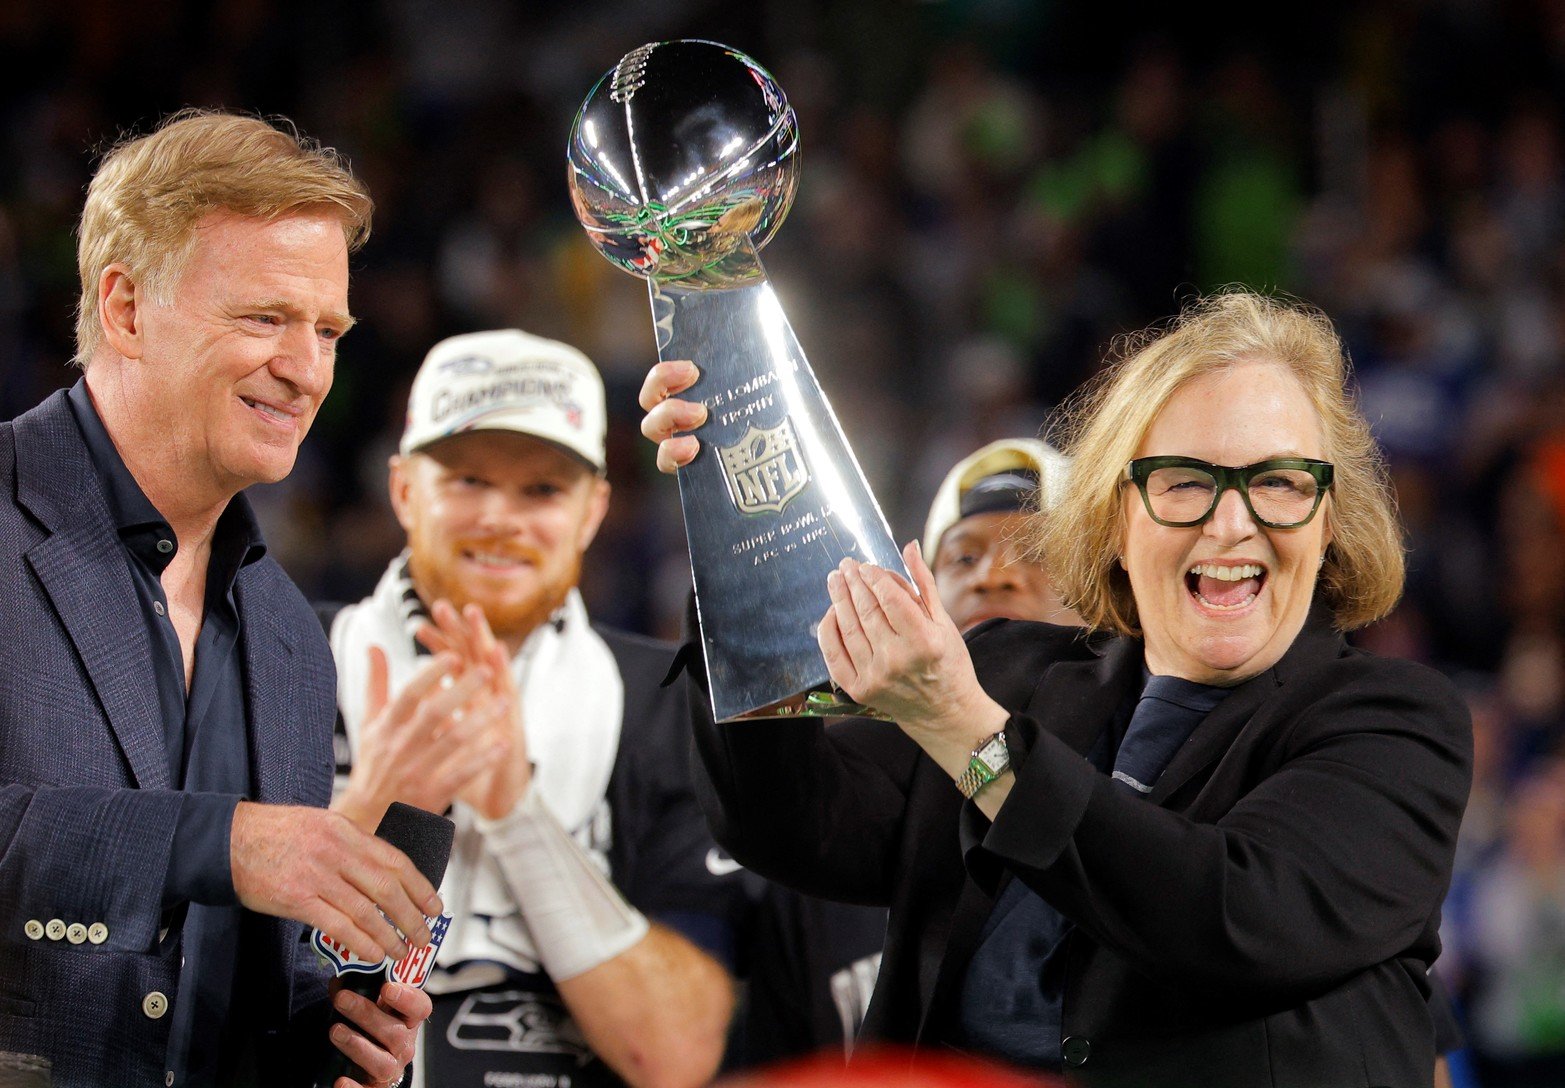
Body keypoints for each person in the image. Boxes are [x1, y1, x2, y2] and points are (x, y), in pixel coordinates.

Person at [640, 290, 1472, 1086]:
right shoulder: (1009, 673)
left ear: (1328, 523)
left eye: (1279, 482)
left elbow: (1231, 918)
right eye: (1184, 481)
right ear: (1115, 519)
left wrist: (967, 733)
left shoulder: (1395, 727)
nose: (1231, 523)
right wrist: (739, 535)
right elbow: (791, 823)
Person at [0, 110, 442, 1088]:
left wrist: (325, 1034)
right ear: (125, 308)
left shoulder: (289, 639)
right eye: (264, 318)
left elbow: (217, 984)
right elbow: (220, 859)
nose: (306, 370)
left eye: (327, 330)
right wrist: (216, 843)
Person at [325, 329, 740, 1088]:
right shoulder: (282, 655)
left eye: (542, 490)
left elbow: (679, 1056)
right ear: (403, 490)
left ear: (593, 511)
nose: (501, 518)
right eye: (468, 480)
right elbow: (195, 980)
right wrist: (366, 818)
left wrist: (517, 813)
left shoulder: (671, 699)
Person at [732, 437, 1083, 1068]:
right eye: (962, 556)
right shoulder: (853, 769)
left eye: (1037, 553)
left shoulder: (1148, 752)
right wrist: (740, 568)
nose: (992, 574)